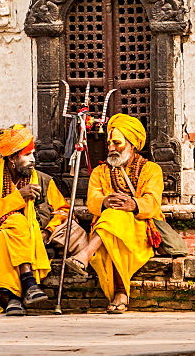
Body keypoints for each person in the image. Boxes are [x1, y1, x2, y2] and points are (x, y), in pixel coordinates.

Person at [66, 113, 164, 314]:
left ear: (132, 145)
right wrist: (104, 201)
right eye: (109, 143)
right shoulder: (100, 172)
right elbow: (92, 201)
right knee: (113, 215)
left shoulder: (151, 170)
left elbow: (153, 203)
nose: (111, 147)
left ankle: (85, 254)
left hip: (139, 229)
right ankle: (120, 293)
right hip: (107, 231)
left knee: (117, 214)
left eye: (117, 143)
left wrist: (133, 204)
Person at [0, 124, 74, 315]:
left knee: (10, 230)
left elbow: (64, 211)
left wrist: (48, 230)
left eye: (33, 154)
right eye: (27, 155)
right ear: (12, 158)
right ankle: (28, 283)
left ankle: (12, 298)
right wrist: (19, 197)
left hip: (34, 238)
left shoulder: (44, 180)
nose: (33, 160)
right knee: (13, 225)